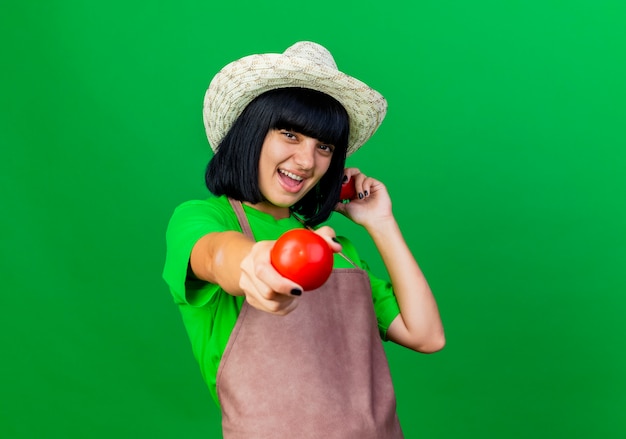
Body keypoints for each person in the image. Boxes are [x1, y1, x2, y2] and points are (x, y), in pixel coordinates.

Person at [163, 41, 445, 439]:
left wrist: (381, 223)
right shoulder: (204, 217)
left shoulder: (338, 248)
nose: (307, 161)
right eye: (289, 134)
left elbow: (426, 334)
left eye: (324, 147)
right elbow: (217, 255)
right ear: (251, 132)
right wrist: (256, 265)